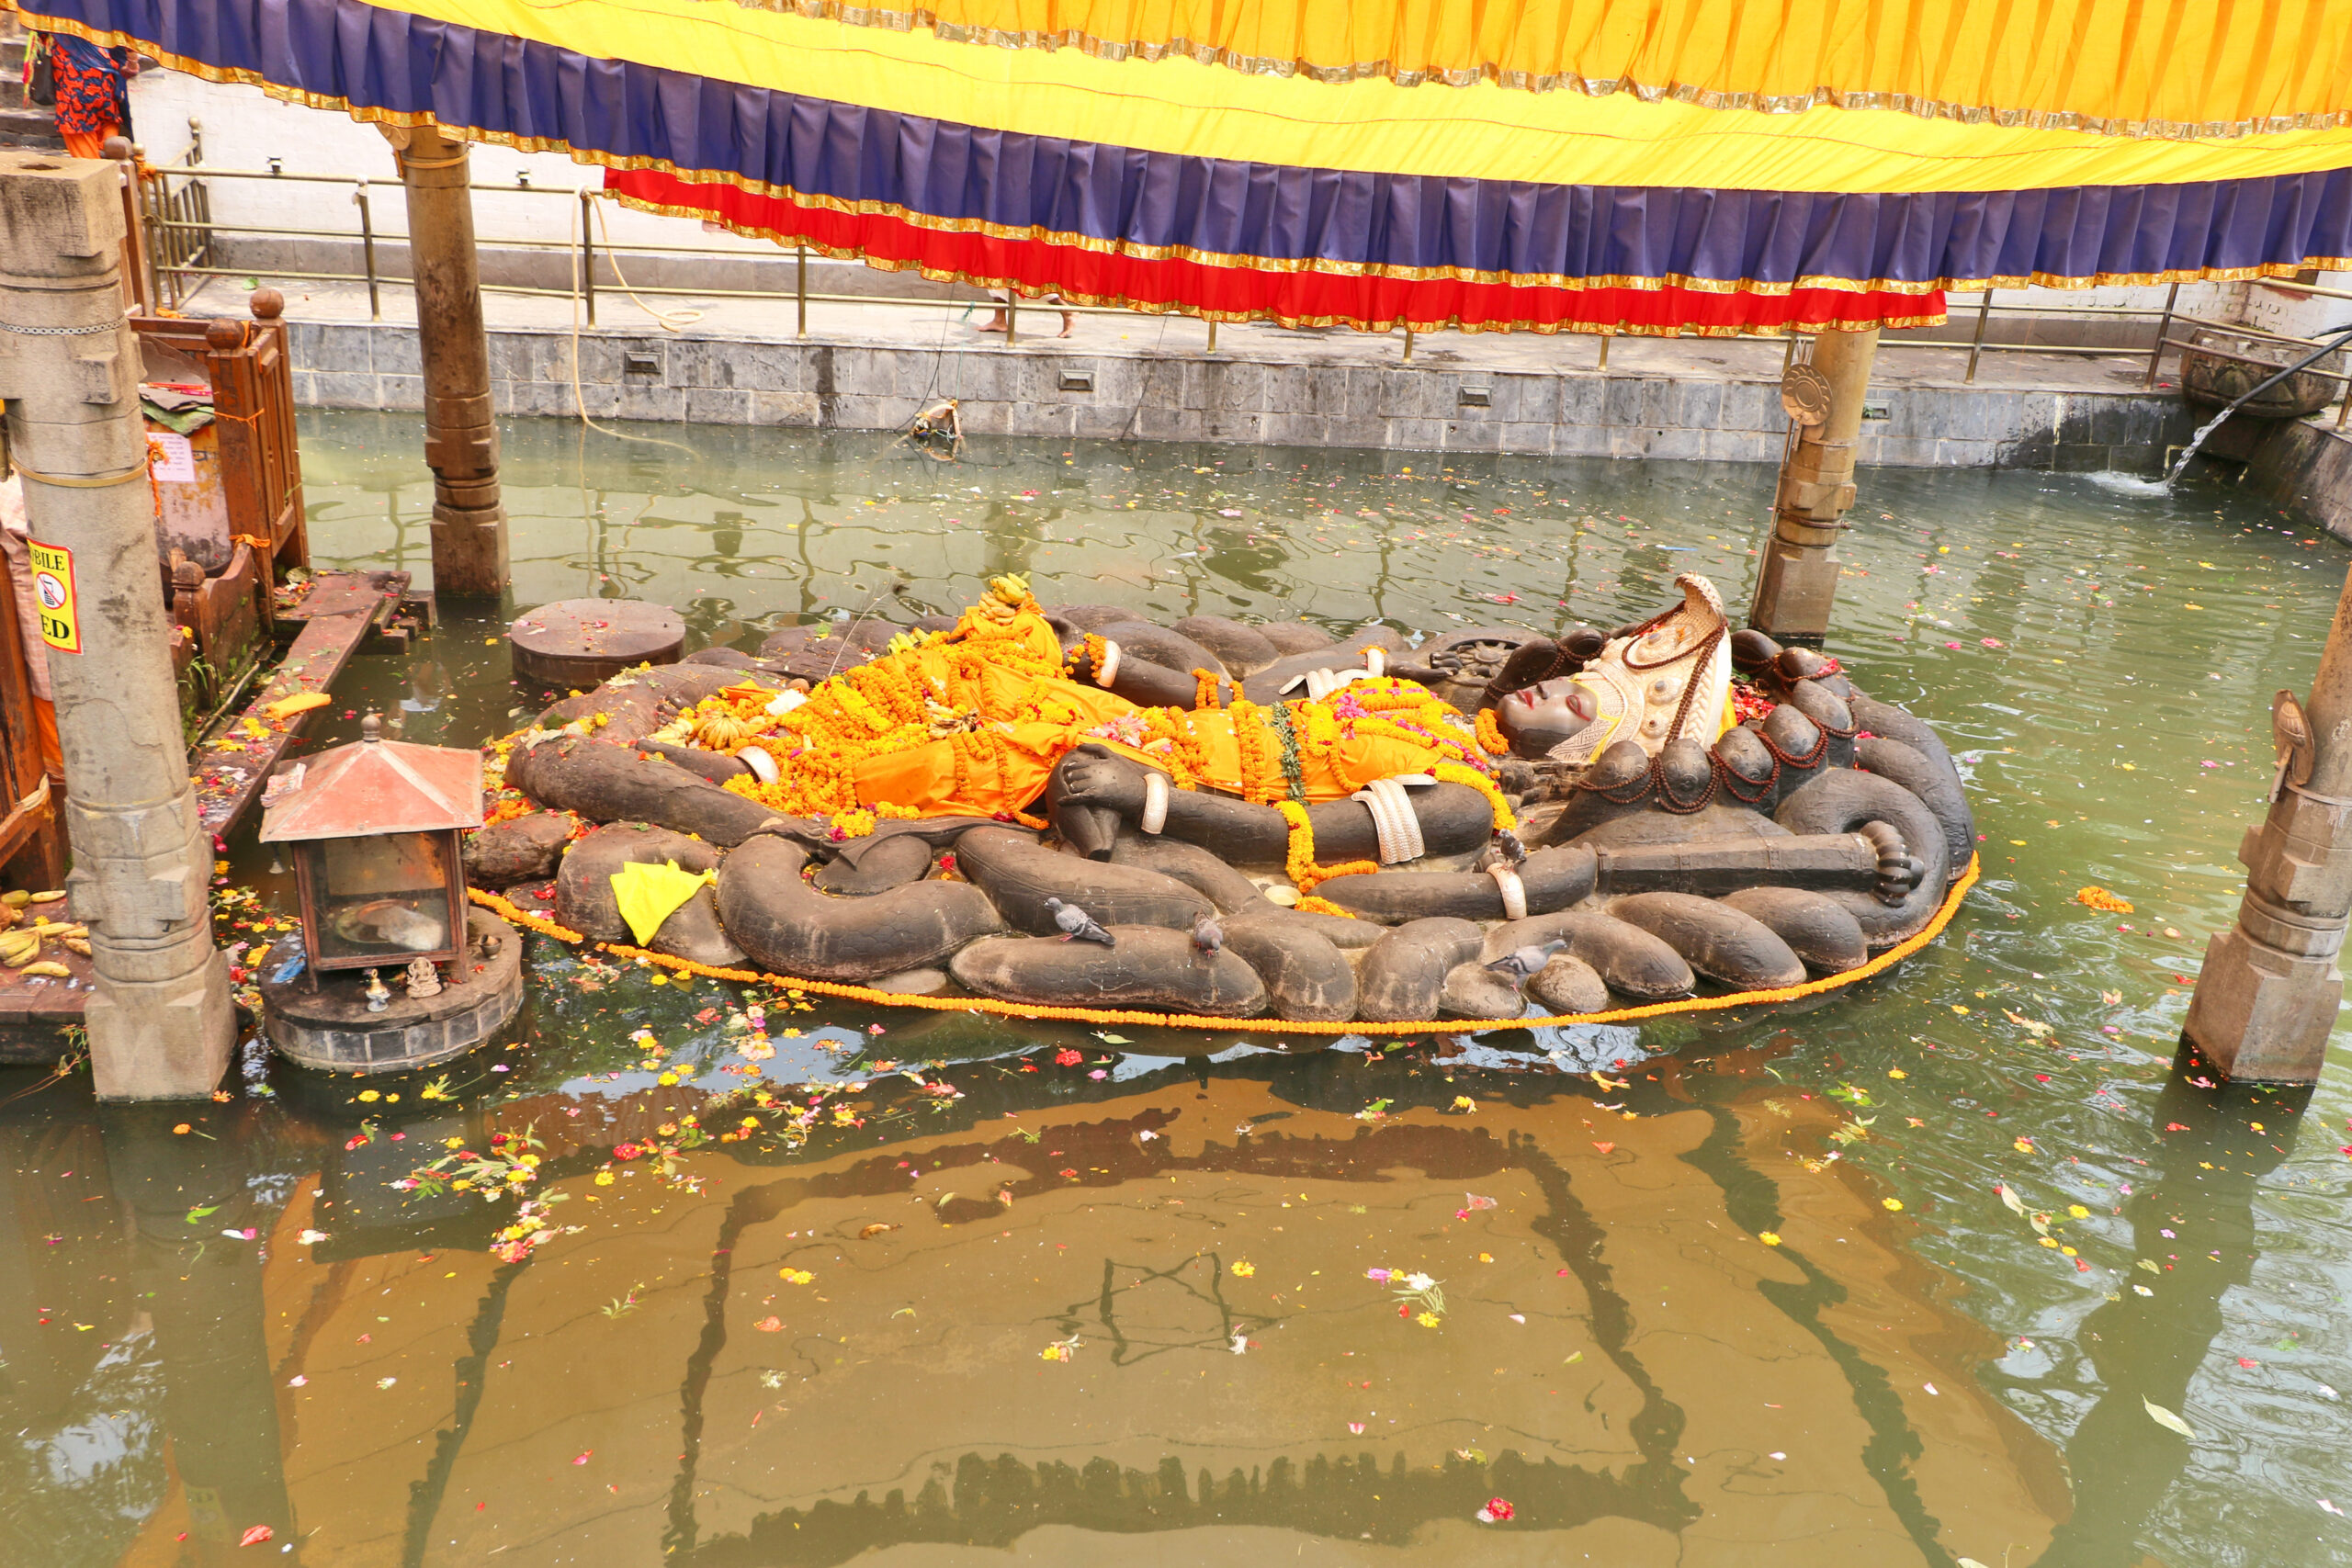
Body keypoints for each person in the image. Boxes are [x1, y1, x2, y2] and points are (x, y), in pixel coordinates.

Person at [40, 33, 136, 160]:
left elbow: (40, 33)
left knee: (89, 164)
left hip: (74, 86)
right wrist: (132, 62)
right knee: (112, 143)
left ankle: (104, 175)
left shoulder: (58, 15)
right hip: (105, 80)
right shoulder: (107, 15)